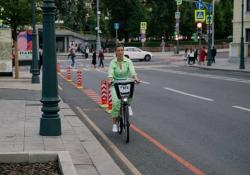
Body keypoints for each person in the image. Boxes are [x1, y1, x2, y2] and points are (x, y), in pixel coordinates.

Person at [108, 44, 140, 132]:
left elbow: (132, 71)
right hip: (115, 84)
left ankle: (128, 106)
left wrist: (136, 78)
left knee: (131, 91)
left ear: (123, 51)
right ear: (116, 52)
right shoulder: (113, 62)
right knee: (116, 103)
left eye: (121, 50)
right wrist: (110, 79)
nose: (120, 52)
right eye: (118, 50)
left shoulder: (128, 61)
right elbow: (110, 73)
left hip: (125, 82)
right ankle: (114, 124)